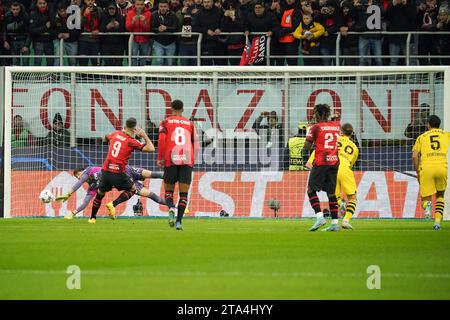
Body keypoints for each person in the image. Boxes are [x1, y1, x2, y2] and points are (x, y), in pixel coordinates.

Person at [88, 117, 155, 223]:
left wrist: (108, 140)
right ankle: (113, 204)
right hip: (118, 173)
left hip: (105, 171)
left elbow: (105, 137)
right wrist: (144, 135)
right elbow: (151, 149)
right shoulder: (132, 141)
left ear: (124, 126)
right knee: (133, 189)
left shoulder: (115, 134)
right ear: (134, 129)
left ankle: (92, 218)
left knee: (100, 193)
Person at [55, 165, 167, 219]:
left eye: (78, 174)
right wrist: (73, 212)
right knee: (151, 195)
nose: (79, 177)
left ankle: (173, 177)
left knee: (152, 174)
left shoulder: (90, 170)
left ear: (82, 171)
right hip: (125, 181)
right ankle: (172, 205)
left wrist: (68, 193)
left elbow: (79, 183)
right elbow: (85, 203)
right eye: (77, 177)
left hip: (126, 171)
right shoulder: (93, 187)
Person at [306, 122, 359, 230]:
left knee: (333, 195)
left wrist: (311, 163)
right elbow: (352, 163)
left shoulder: (334, 140)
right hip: (345, 170)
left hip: (333, 167)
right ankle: (345, 220)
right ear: (351, 133)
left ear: (341, 131)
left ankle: (339, 206)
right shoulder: (355, 147)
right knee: (352, 197)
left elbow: (318, 152)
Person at [157, 99, 199, 230]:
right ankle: (179, 222)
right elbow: (196, 144)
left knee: (169, 191)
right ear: (183, 109)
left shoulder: (165, 122)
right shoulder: (190, 124)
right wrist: (193, 159)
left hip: (171, 158)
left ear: (171, 108)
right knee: (184, 194)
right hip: (187, 160)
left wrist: (160, 158)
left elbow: (162, 140)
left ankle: (171, 208)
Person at [302, 103, 341, 231]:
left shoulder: (315, 127)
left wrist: (305, 156)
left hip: (321, 162)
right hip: (334, 162)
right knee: (331, 193)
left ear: (317, 114)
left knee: (310, 190)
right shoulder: (336, 126)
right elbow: (331, 124)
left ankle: (319, 217)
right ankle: (335, 223)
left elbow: (307, 146)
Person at [412, 115, 450, 231]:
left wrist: (418, 171)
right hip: (442, 167)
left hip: (427, 168)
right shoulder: (446, 135)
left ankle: (427, 206)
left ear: (428, 125)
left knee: (425, 198)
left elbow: (414, 156)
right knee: (440, 195)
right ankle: (437, 223)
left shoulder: (421, 137)